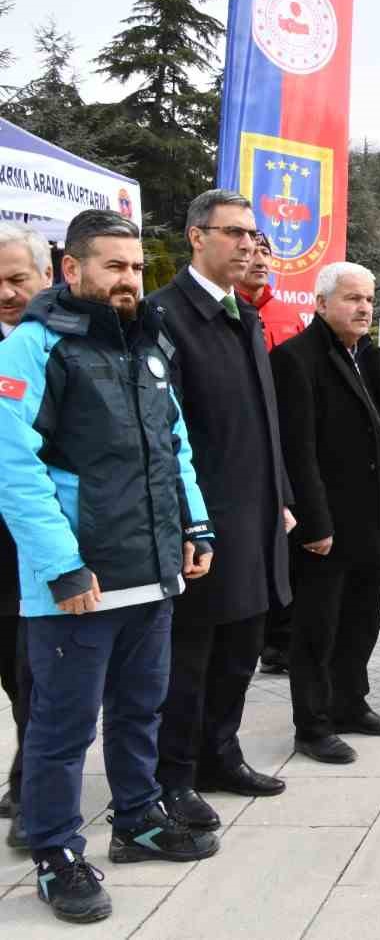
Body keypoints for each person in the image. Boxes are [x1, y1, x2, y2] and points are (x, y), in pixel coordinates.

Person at [0, 211, 219, 924]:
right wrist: (61, 566)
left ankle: (136, 819)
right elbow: (13, 466)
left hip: (151, 573)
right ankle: (57, 852)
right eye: (113, 267)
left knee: (139, 708)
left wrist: (195, 523)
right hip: (78, 587)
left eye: (134, 267)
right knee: (61, 730)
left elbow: (174, 444)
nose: (129, 280)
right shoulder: (35, 349)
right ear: (72, 269)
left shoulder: (147, 345)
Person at [149, 189, 295, 831]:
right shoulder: (165, 318)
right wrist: (186, 520)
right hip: (203, 523)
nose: (247, 245)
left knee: (242, 648)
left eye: (254, 235)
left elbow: (268, 422)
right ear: (195, 237)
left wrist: (283, 499)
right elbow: (162, 435)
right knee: (191, 657)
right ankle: (173, 777)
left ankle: (221, 754)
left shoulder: (248, 318)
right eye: (234, 232)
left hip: (257, 515)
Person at [271, 262, 380, 764]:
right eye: (352, 299)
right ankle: (312, 725)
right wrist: (314, 522)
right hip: (326, 524)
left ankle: (351, 703)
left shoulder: (369, 356)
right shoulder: (296, 358)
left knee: (362, 618)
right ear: (321, 303)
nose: (364, 308)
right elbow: (297, 448)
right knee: (317, 629)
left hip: (371, 517)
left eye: (369, 299)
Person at [0, 222, 50, 851]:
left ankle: (32, 784)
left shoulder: (61, 349)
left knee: (34, 676)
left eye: (16, 279)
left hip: (36, 551)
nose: (7, 293)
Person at [242, 232, 306, 677]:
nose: (261, 260)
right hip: (245, 450)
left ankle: (281, 641)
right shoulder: (226, 313)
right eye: (252, 253)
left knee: (287, 546)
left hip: (288, 446)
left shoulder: (287, 316)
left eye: (267, 252)